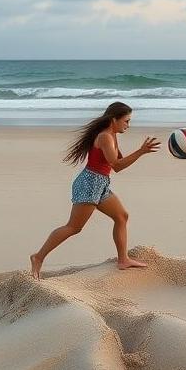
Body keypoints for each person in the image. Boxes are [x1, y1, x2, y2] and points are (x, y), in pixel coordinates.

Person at [29, 101, 160, 279]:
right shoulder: (105, 136)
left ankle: (123, 260)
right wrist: (141, 151)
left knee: (122, 216)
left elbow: (116, 160)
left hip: (101, 183)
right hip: (89, 183)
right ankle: (38, 257)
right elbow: (117, 166)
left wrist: (138, 152)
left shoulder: (112, 134)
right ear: (114, 119)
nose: (128, 125)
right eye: (126, 121)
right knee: (74, 227)